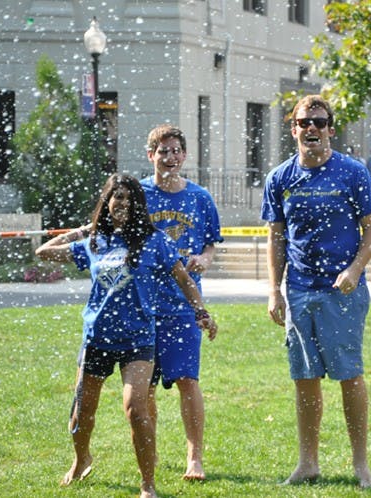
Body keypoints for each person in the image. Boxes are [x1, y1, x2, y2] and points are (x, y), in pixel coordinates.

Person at [35, 173, 218, 498]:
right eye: (117, 197)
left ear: (139, 206)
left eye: (130, 199)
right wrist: (86, 229)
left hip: (138, 340)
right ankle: (82, 459)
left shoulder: (155, 241)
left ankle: (147, 485)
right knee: (82, 414)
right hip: (97, 340)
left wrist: (201, 312)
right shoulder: (95, 243)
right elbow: (43, 252)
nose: (123, 204)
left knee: (136, 409)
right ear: (106, 203)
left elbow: (184, 279)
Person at [261, 95, 371, 488]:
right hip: (298, 291)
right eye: (304, 122)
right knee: (305, 378)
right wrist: (274, 291)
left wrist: (354, 269)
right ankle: (308, 463)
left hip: (341, 291)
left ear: (330, 127)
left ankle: (361, 464)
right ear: (293, 128)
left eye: (319, 121)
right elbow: (275, 239)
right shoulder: (280, 177)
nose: (311, 128)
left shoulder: (352, 172)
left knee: (350, 375)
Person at [140, 124, 223, 481]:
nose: (170, 158)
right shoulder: (138, 195)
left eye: (176, 151)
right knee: (143, 387)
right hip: (143, 307)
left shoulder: (200, 198)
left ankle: (195, 459)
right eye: (163, 151)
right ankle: (151, 450)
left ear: (185, 156)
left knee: (188, 380)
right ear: (151, 156)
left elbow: (210, 245)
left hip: (183, 307)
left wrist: (205, 259)